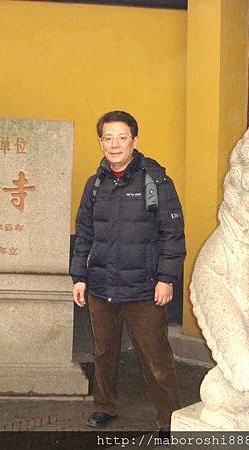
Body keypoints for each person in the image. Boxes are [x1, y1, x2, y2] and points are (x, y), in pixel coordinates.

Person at [70, 110, 186, 432]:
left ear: (134, 140)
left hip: (144, 288)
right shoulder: (95, 185)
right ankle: (105, 406)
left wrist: (166, 278)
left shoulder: (156, 181)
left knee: (156, 357)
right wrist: (80, 277)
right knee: (104, 352)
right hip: (102, 285)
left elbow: (172, 234)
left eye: (122, 137)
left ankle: (168, 418)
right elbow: (85, 234)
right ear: (101, 142)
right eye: (108, 138)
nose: (115, 145)